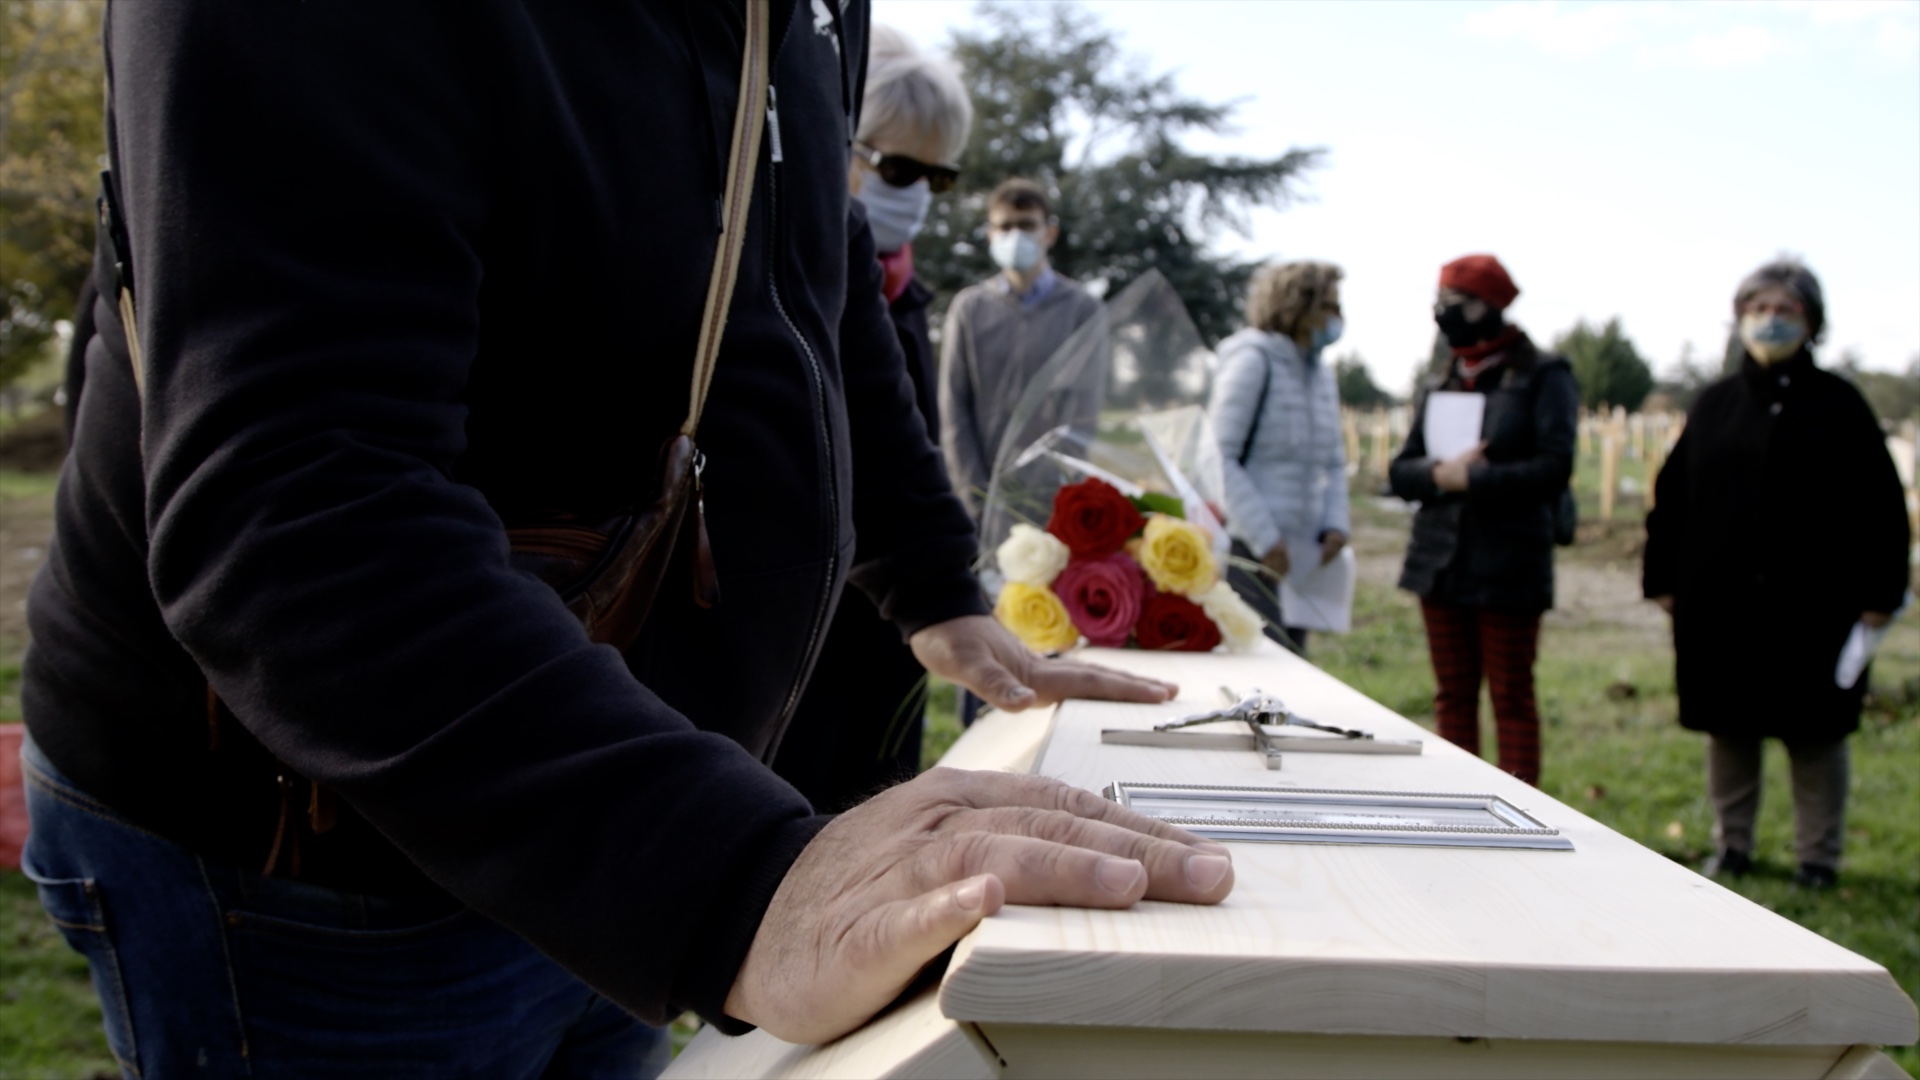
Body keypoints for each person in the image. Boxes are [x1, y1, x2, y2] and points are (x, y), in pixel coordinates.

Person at [20, 4, 1234, 1076]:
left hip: (629, 798)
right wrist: (728, 886)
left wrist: (931, 584)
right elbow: (297, 497)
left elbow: (813, 264)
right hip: (318, 853)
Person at [1643, 258, 1910, 890]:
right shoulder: (1714, 404)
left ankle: (1818, 857)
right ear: (1739, 319)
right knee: (1729, 728)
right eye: (1759, 309)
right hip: (1722, 601)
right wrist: (1663, 578)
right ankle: (1732, 845)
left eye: (1785, 310)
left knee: (1814, 734)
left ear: (1812, 322)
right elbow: (1673, 498)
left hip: (1814, 604)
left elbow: (1881, 506)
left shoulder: (1841, 406)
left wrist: (1880, 594)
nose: (1770, 320)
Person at [777, 26, 971, 812]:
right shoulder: (784, 287)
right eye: (895, 166)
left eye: (936, 176)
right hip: (800, 631)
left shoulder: (908, 302)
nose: (914, 191)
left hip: (890, 633)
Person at [1389, 255, 1577, 787]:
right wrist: (1435, 474)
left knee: (1511, 694)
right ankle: (1460, 800)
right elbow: (1402, 470)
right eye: (1440, 305)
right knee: (1452, 693)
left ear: (1492, 306)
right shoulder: (1440, 378)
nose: (1447, 317)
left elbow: (1555, 467)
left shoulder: (1543, 375)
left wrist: (1476, 481)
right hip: (1441, 562)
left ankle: (1519, 808)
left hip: (1510, 559)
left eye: (1460, 305)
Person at [938, 178, 1107, 519]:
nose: (1015, 235)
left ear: (1049, 233)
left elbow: (1082, 412)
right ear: (990, 233)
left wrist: (1058, 492)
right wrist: (976, 496)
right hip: (982, 499)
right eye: (1005, 226)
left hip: (1053, 499)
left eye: (1027, 225)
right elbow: (953, 409)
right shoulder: (969, 308)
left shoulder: (1081, 309)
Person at [1210, 261, 1350, 654]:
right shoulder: (1253, 362)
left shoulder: (1321, 374)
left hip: (1303, 553)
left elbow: (1334, 463)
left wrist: (1335, 524)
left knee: (1293, 662)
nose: (1338, 318)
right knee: (1254, 664)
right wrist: (1265, 538)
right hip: (1253, 550)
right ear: (1296, 305)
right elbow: (1220, 456)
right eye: (1328, 305)